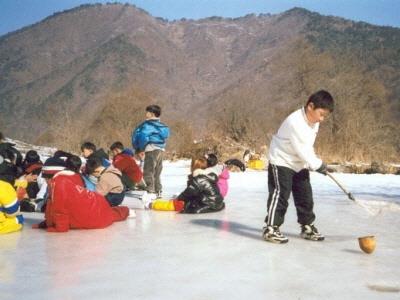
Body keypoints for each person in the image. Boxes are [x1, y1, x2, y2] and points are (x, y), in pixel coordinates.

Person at [262, 90, 334, 244]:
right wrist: (318, 164)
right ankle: (271, 228)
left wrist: (312, 163)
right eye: (321, 114)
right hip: (282, 161)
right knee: (280, 195)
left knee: (305, 195)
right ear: (310, 106)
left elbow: (307, 148)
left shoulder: (313, 123)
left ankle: (307, 226)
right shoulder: (295, 122)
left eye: (325, 116)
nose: (322, 119)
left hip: (299, 162)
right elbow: (302, 149)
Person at [33, 155, 130, 232]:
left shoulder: (58, 183)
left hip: (95, 212)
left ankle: (126, 211)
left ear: (50, 175)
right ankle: (125, 211)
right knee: (111, 213)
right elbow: (53, 207)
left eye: (45, 177)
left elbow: (60, 210)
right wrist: (46, 223)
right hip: (96, 203)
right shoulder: (70, 178)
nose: (45, 181)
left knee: (110, 215)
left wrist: (58, 228)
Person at [132, 105, 170, 201]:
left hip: (151, 149)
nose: (146, 114)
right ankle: (158, 190)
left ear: (152, 114)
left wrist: (140, 148)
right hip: (160, 149)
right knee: (157, 171)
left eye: (147, 112)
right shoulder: (162, 126)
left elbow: (143, 136)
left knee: (149, 171)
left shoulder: (148, 125)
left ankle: (150, 190)